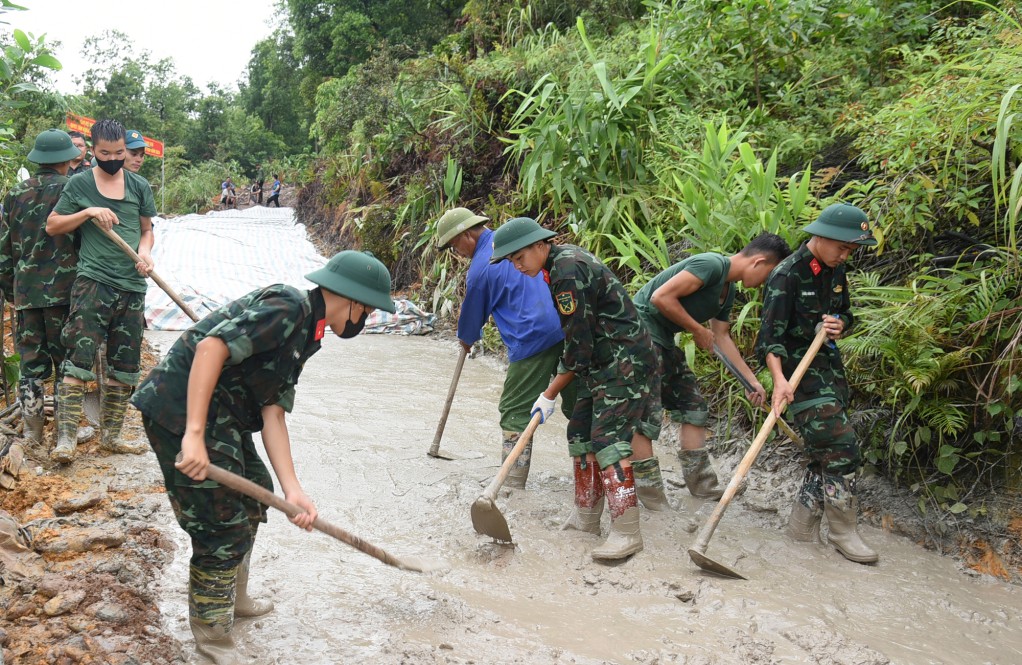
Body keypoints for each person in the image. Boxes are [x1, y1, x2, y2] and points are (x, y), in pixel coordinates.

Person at [131, 250, 396, 664]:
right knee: (220, 524)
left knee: (256, 496)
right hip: (179, 410)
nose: (365, 320)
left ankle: (233, 598)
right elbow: (210, 349)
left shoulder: (309, 332)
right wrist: (194, 437)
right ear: (356, 302)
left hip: (224, 415)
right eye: (369, 311)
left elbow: (273, 411)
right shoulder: (288, 305)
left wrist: (295, 492)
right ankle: (213, 637)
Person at [490, 217, 662, 561]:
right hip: (600, 361)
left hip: (623, 360)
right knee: (580, 430)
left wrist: (550, 392)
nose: (517, 265)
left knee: (608, 438)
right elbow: (577, 341)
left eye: (519, 257)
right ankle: (585, 516)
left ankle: (627, 532)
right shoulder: (558, 266)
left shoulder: (568, 271)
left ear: (541, 245)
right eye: (511, 261)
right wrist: (556, 385)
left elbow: (579, 344)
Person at [755, 203, 879, 564]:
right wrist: (779, 382)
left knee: (822, 453)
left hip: (830, 372)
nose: (845, 255)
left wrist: (842, 323)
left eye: (851, 250)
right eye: (842, 247)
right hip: (799, 379)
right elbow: (768, 339)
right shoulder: (787, 275)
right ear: (820, 237)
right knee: (842, 447)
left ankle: (801, 529)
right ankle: (843, 532)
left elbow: (845, 313)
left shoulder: (836, 271)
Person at [633, 233, 791, 501]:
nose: (763, 284)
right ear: (758, 261)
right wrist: (696, 329)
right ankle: (651, 495)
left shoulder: (728, 290)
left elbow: (721, 337)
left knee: (693, 406)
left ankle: (703, 486)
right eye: (767, 275)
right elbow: (660, 298)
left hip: (663, 339)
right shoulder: (711, 265)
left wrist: (751, 381)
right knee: (644, 413)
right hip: (639, 334)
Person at [435, 208, 573, 488]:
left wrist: (466, 338)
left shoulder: (481, 268)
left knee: (514, 409)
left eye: (454, 245)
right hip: (569, 328)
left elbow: (471, 321)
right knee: (579, 404)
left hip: (533, 337)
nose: (457, 252)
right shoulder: (522, 241)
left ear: (467, 236)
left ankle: (510, 486)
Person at [46, 119, 157, 463]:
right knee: (78, 361)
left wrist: (146, 254)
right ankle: (65, 440)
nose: (113, 158)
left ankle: (111, 436)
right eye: (105, 153)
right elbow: (53, 225)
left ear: (126, 149)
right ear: (93, 151)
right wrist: (89, 211)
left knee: (125, 366)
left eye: (119, 152)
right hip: (93, 282)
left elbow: (147, 231)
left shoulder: (139, 186)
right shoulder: (80, 184)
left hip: (132, 285)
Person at [0, 130, 83, 445]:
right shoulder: (74, 189)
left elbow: (3, 251)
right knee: (67, 363)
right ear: (64, 160)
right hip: (68, 294)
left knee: (31, 366)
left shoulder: (14, 194)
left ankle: (33, 432)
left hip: (27, 295)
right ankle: (65, 433)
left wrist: (13, 292)